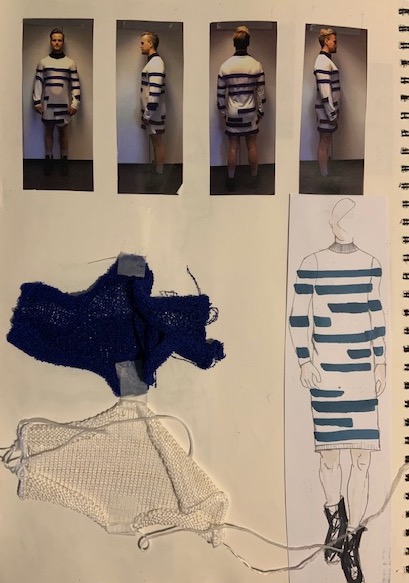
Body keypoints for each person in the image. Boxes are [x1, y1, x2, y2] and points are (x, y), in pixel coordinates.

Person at [289, 198, 386, 583]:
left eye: (351, 217)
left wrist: (381, 361)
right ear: (331, 222)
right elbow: (298, 315)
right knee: (330, 458)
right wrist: (304, 361)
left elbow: (375, 313)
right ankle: (335, 516)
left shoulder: (371, 263)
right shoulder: (311, 263)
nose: (345, 223)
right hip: (326, 373)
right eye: (339, 217)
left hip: (362, 373)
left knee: (361, 461)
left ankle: (350, 541)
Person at [217, 25, 266, 192]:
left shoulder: (225, 66)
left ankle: (230, 180)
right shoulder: (256, 65)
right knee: (252, 145)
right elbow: (260, 93)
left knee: (233, 146)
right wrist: (260, 111)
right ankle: (254, 178)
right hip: (250, 112)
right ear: (248, 43)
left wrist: (223, 113)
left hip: (233, 113)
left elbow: (220, 94)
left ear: (234, 43)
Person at [33, 28, 81, 176]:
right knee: (48, 132)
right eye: (54, 40)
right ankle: (49, 159)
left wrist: (75, 103)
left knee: (63, 133)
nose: (57, 43)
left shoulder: (70, 63)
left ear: (63, 42)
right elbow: (38, 82)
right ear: (51, 41)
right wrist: (37, 102)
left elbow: (75, 84)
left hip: (64, 105)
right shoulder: (43, 62)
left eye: (59, 40)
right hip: (48, 104)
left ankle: (64, 160)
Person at [140, 31, 166, 190]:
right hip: (152, 112)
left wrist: (148, 114)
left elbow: (154, 92)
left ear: (151, 44)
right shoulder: (153, 62)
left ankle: (159, 176)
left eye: (143, 43)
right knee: (155, 143)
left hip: (154, 113)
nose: (140, 46)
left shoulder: (156, 63)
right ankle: (157, 171)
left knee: (158, 143)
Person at [314, 28, 340, 177]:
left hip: (327, 111)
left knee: (326, 140)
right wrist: (332, 114)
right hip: (326, 112)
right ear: (326, 41)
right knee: (324, 141)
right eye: (334, 41)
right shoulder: (322, 62)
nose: (336, 44)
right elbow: (325, 92)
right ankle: (324, 177)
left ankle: (325, 173)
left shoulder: (325, 61)